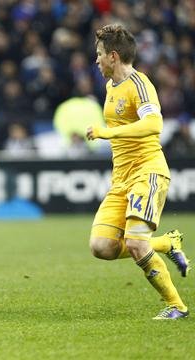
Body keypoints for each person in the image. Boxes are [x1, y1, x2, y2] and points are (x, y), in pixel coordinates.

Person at [86, 24, 190, 320]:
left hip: (148, 171)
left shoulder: (140, 83)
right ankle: (168, 243)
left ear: (113, 57)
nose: (96, 60)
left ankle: (177, 306)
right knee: (101, 247)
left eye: (99, 54)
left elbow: (155, 124)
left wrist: (107, 134)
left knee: (134, 243)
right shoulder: (110, 86)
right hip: (121, 179)